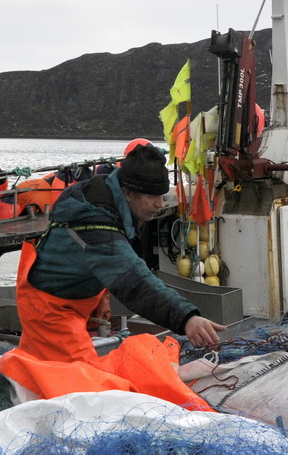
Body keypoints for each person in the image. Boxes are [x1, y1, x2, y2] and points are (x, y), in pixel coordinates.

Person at [15, 143, 224, 362]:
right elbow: (135, 281)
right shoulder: (98, 230)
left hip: (72, 299)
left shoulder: (104, 196)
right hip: (50, 311)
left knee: (45, 370)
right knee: (74, 384)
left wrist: (99, 298)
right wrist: (186, 318)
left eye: (162, 195)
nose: (160, 204)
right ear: (129, 193)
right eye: (153, 196)